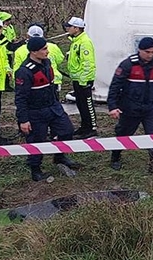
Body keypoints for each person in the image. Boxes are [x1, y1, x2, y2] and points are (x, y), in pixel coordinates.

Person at [14, 37, 81, 181]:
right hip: (35, 112)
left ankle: (59, 156)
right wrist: (23, 120)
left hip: (53, 107)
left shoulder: (47, 63)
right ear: (33, 51)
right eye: (44, 49)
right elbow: (20, 98)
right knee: (37, 141)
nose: (47, 51)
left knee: (67, 131)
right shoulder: (24, 72)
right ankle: (35, 169)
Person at [107, 37, 153, 173]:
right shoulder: (128, 65)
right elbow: (115, 86)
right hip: (130, 107)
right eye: (147, 52)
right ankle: (116, 157)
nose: (150, 55)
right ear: (140, 50)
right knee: (123, 133)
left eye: (152, 52)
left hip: (150, 108)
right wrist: (113, 106)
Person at [64, 16, 98, 139]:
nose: (67, 28)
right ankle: (84, 127)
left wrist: (85, 81)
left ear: (77, 28)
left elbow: (88, 63)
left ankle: (92, 128)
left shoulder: (84, 42)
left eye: (70, 26)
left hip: (84, 80)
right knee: (81, 104)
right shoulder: (76, 41)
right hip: (77, 79)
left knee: (87, 104)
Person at [14, 24, 66, 91]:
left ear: (28, 36)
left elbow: (16, 70)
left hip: (31, 83)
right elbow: (60, 60)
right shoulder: (53, 47)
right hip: (54, 81)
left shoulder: (20, 50)